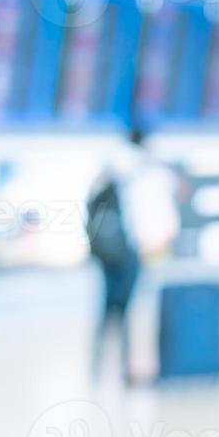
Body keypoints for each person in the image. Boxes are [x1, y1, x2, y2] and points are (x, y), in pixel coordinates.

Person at [86, 127, 146, 387]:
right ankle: (125, 368)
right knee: (125, 311)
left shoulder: (108, 168)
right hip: (128, 253)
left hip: (107, 254)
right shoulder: (141, 169)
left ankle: (97, 367)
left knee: (106, 309)